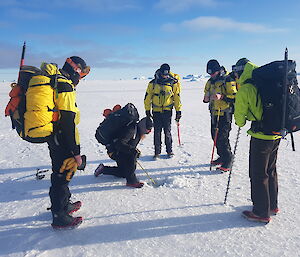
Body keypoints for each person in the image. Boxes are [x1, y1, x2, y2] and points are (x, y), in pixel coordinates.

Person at [233, 58, 281, 223]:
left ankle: (261, 212)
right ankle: (272, 205)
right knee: (271, 169)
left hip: (261, 136)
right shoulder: (267, 81)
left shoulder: (246, 88)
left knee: (258, 173)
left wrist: (245, 116)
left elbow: (239, 120)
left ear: (239, 72)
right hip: (276, 133)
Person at [47, 56, 90, 229]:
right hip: (62, 138)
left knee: (62, 173)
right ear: (75, 69)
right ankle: (59, 216)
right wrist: (76, 151)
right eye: (80, 74)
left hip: (56, 137)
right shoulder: (64, 85)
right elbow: (67, 120)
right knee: (61, 177)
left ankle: (64, 205)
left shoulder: (58, 81)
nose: (80, 79)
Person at [94, 117, 153, 188]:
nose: (149, 131)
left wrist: (133, 149)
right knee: (133, 155)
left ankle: (103, 169)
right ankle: (131, 181)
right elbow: (119, 143)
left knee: (124, 173)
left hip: (120, 151)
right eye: (148, 129)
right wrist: (132, 150)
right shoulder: (132, 130)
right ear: (143, 126)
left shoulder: (137, 130)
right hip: (115, 152)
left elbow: (129, 143)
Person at [203, 59, 237, 172]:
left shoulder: (227, 80)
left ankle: (228, 159)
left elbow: (234, 98)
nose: (211, 75)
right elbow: (206, 92)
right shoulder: (210, 81)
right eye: (209, 73)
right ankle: (222, 156)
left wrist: (222, 97)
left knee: (222, 137)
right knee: (215, 136)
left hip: (225, 113)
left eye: (213, 73)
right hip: (214, 112)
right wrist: (206, 98)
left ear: (218, 70)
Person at [144, 63, 182, 159]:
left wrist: (178, 111)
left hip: (167, 111)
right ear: (160, 72)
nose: (165, 75)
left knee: (167, 132)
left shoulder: (173, 83)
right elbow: (148, 97)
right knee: (157, 132)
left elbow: (176, 97)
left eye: (166, 73)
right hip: (156, 111)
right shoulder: (153, 83)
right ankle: (157, 152)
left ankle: (169, 151)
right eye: (163, 73)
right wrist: (147, 110)